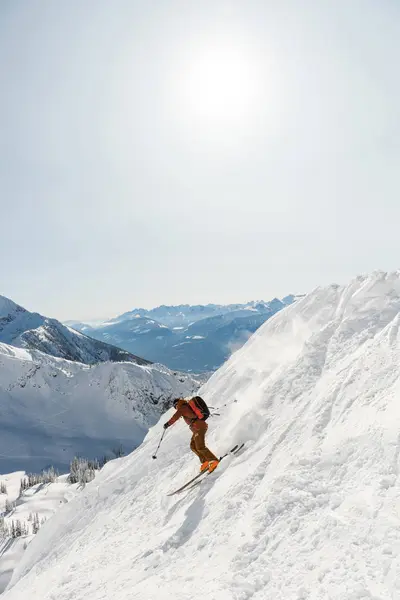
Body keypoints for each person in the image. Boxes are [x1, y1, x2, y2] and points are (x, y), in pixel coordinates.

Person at [164, 398, 219, 473]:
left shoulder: (182, 408)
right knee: (193, 446)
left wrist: (167, 424)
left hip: (199, 427)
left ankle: (213, 460)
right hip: (197, 428)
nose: (176, 408)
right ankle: (205, 462)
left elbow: (175, 417)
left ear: (176, 404)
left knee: (200, 446)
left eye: (175, 407)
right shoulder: (185, 406)